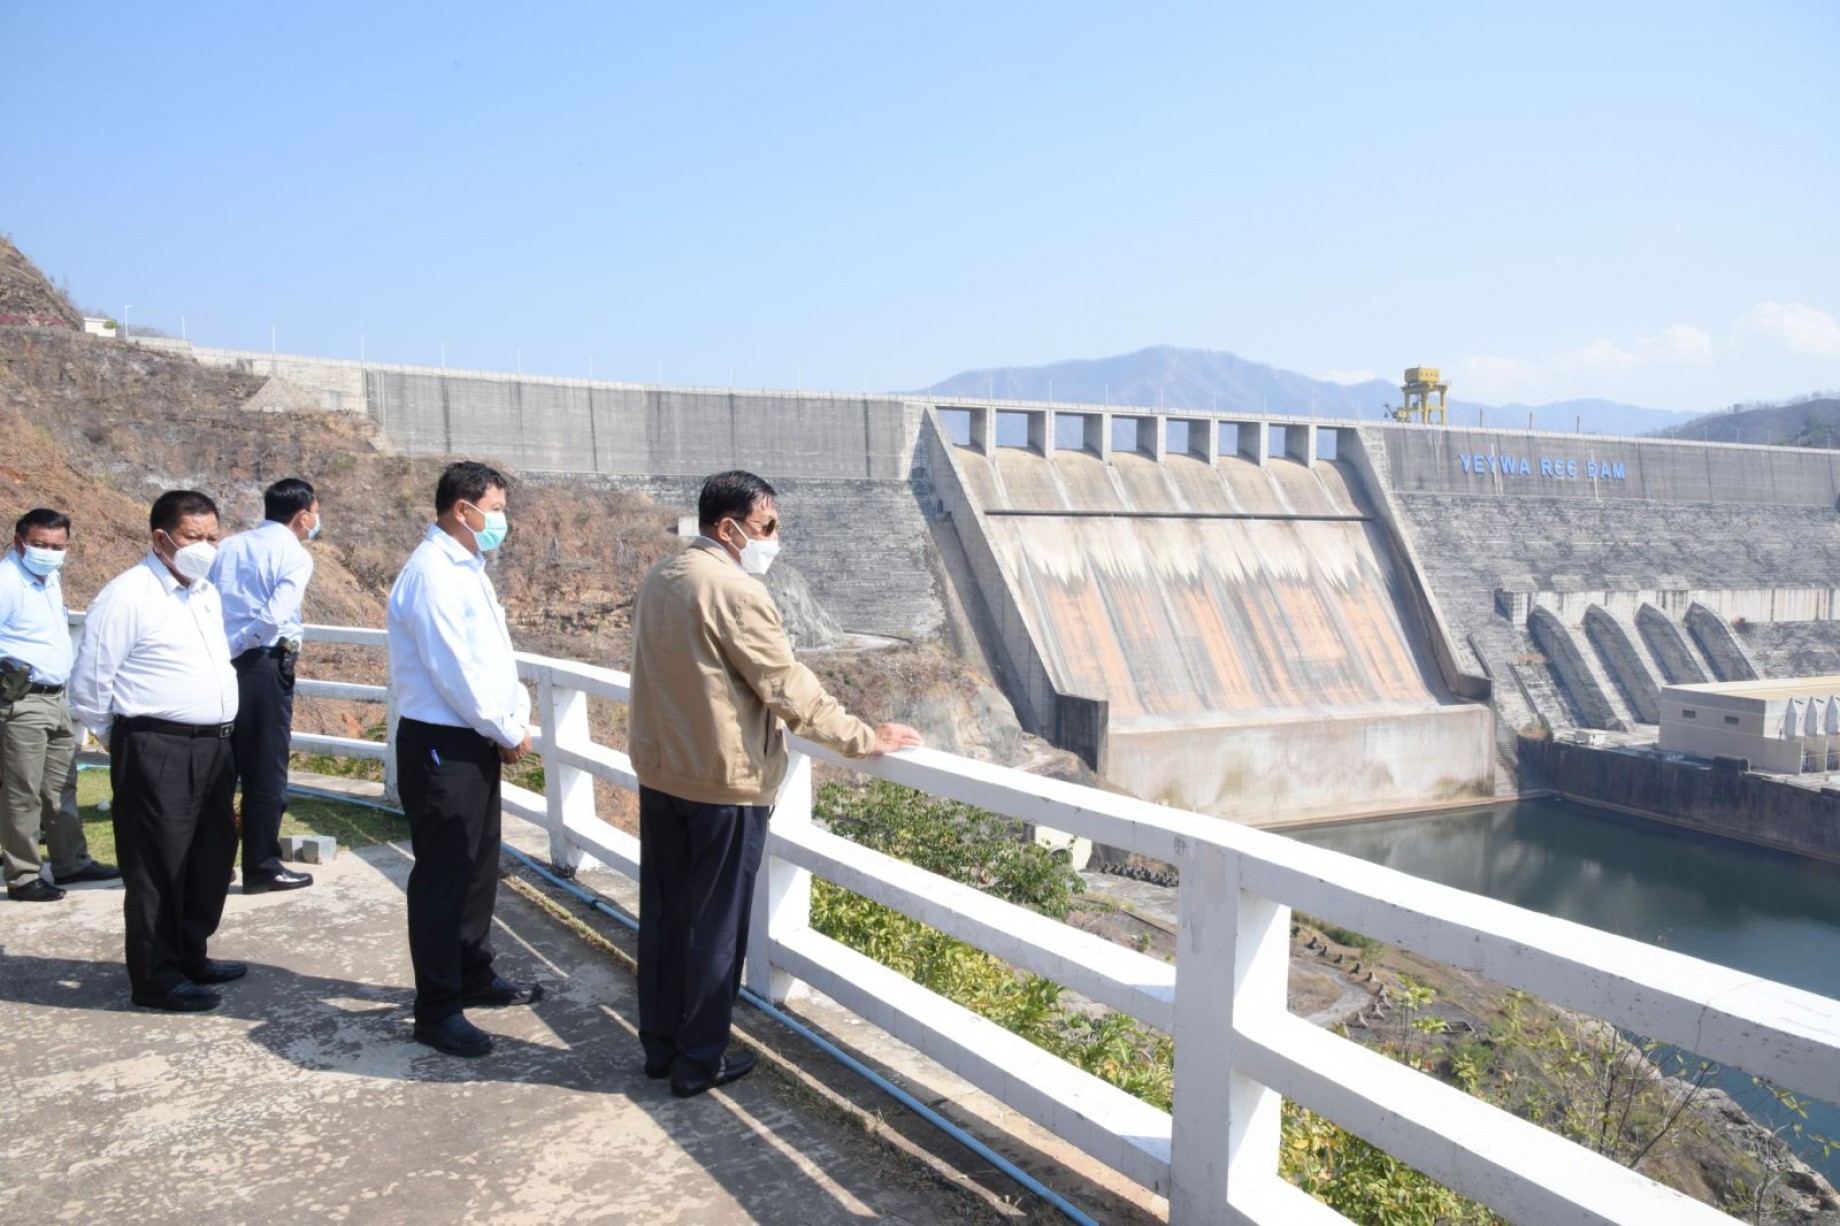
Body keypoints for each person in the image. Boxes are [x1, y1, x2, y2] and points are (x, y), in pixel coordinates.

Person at [629, 469, 923, 1098]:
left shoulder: (663, 575)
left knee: (664, 915)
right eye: (766, 527)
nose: (774, 539)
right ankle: (698, 1061)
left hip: (662, 774)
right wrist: (864, 739)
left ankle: (660, 1048)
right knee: (715, 927)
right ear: (727, 527)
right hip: (723, 784)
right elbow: (787, 686)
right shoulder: (734, 590)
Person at [387, 461, 541, 1058]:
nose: (502, 520)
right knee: (444, 877)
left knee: (478, 865)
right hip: (440, 742)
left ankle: (473, 972)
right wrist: (504, 728)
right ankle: (437, 1009)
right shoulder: (432, 575)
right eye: (496, 508)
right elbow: (455, 670)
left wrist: (512, 715)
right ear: (462, 509)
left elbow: (493, 656)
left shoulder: (467, 567)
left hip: (471, 738)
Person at [70, 490, 242, 1011]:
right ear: (160, 538)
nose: (206, 547)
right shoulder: (127, 595)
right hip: (156, 745)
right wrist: (130, 739)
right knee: (157, 866)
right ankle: (156, 976)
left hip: (214, 746)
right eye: (194, 537)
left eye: (213, 537)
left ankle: (191, 952)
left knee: (212, 856)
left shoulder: (205, 593)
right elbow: (89, 687)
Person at [0, 508, 119, 901]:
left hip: (56, 697)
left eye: (57, 546)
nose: (49, 552)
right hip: (22, 700)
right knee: (23, 791)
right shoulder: (7, 581)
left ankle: (71, 862)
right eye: (40, 545)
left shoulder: (49, 577)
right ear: (20, 542)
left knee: (60, 787)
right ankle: (23, 874)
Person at [210, 477, 319, 895]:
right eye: (314, 511)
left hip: (222, 663)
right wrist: (239, 647)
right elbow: (274, 617)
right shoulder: (293, 554)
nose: (315, 520)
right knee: (265, 771)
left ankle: (216, 864)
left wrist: (225, 650)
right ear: (301, 515)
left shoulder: (232, 545)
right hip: (262, 664)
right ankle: (261, 866)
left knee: (222, 768)